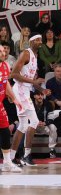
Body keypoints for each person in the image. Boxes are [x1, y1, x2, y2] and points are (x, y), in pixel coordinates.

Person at [10, 32, 51, 166]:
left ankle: (11, 158)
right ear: (32, 41)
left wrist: (42, 90)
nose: (40, 42)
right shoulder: (26, 53)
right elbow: (14, 74)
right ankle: (25, 156)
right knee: (33, 122)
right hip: (20, 89)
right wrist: (33, 82)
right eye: (38, 40)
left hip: (25, 90)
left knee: (23, 125)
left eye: (41, 40)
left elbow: (31, 81)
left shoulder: (35, 56)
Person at [0, 44, 22, 172]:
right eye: (0, 51)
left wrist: (14, 98)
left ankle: (7, 162)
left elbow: (5, 82)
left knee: (5, 131)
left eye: (4, 51)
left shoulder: (5, 65)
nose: (3, 53)